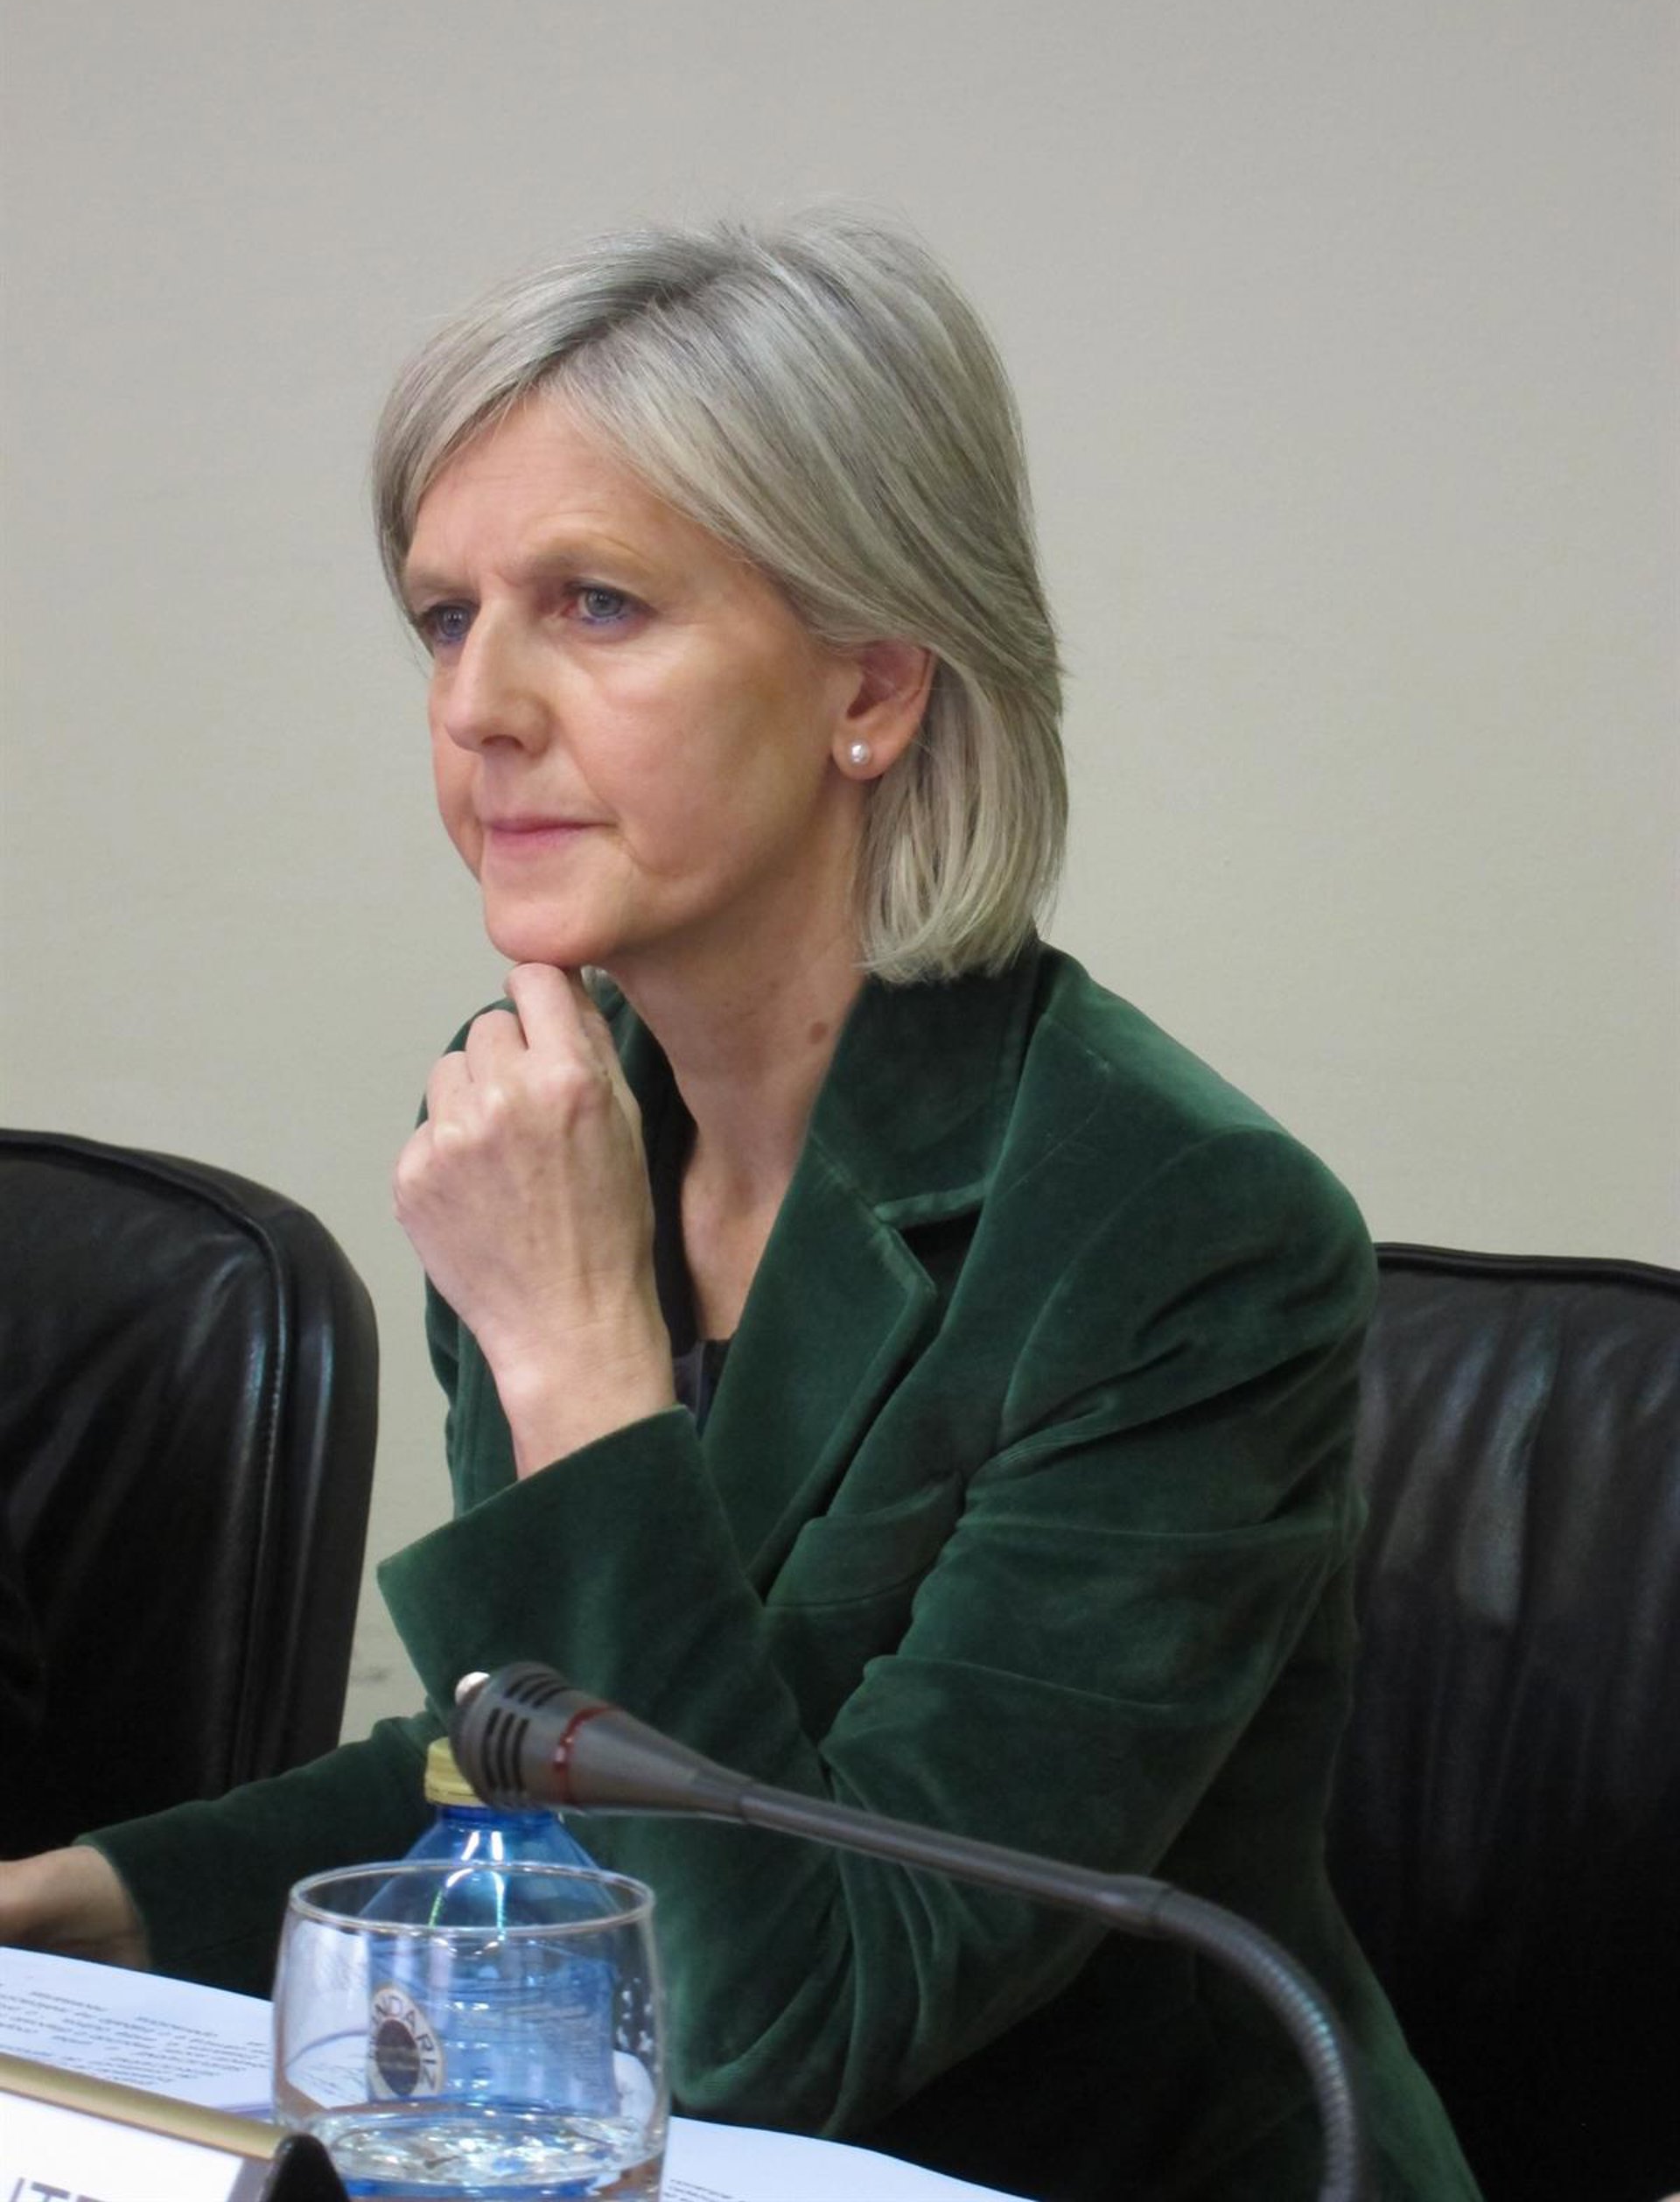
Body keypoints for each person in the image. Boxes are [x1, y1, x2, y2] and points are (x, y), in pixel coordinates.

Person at [0, 213, 1480, 2200]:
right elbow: (522, 1750)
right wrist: (84, 1900)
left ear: (871, 684)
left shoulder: (1187, 1235)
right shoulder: (569, 1115)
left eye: (596, 604)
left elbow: (790, 2025)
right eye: (444, 618)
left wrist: (575, 1354)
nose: (478, 703)